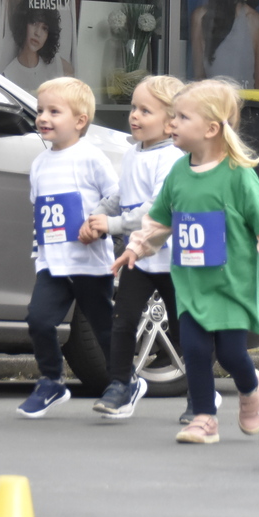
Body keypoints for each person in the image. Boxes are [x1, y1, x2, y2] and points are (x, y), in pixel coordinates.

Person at [114, 79, 259, 444]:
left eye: (182, 117)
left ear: (211, 128)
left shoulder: (238, 176)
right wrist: (137, 247)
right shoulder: (178, 173)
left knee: (230, 354)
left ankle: (251, 390)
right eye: (173, 116)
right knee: (194, 350)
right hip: (192, 286)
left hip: (231, 288)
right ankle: (203, 418)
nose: (173, 123)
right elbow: (159, 220)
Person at [17, 77, 120, 419]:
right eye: (40, 110)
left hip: (89, 263)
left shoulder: (91, 158)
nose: (43, 117)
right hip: (53, 264)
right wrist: (39, 253)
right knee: (39, 320)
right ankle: (51, 381)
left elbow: (116, 198)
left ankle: (123, 381)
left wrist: (97, 222)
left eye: (54, 111)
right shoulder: (39, 164)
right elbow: (41, 212)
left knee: (103, 328)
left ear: (79, 121)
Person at [87, 74, 187, 420]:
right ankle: (120, 385)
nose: (134, 116)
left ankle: (201, 392)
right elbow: (121, 195)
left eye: (146, 110)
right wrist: (97, 214)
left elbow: (158, 207)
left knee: (183, 329)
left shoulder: (173, 157)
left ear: (172, 120)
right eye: (133, 108)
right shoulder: (132, 153)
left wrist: (113, 226)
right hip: (139, 258)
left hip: (174, 259)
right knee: (123, 321)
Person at [2, 4, 72, 92]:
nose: (38, 33)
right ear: (23, 24)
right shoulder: (9, 75)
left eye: (44, 28)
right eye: (34, 23)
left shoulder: (57, 64)